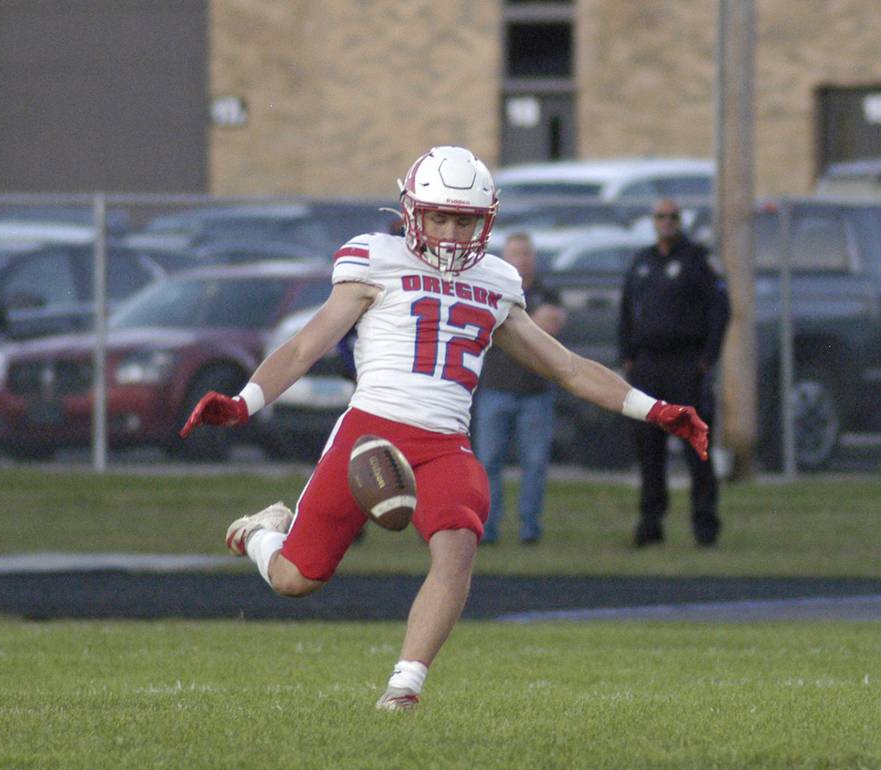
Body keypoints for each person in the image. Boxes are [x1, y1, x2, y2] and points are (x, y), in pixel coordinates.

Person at [179, 146, 709, 712]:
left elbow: (567, 366)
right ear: (413, 213)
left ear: (487, 221)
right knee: (294, 579)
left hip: (444, 445)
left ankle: (404, 687)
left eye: (465, 220)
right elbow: (307, 346)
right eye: (440, 217)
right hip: (369, 436)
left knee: (457, 547)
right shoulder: (373, 260)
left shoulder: (498, 281)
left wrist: (655, 409)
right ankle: (260, 532)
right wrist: (242, 403)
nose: (453, 234)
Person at [619, 198, 730, 548]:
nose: (666, 222)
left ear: (681, 221)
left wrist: (707, 359)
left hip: (685, 365)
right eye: (660, 216)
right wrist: (628, 356)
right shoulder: (642, 262)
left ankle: (705, 525)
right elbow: (626, 311)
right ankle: (650, 524)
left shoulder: (698, 260)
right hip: (648, 366)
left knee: (696, 446)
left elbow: (720, 310)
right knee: (648, 447)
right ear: (652, 221)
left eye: (672, 217)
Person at [473, 232, 566, 545]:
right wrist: (529, 324)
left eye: (526, 253)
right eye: (515, 253)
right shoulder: (491, 291)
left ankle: (529, 528)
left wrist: (510, 327)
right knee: (488, 462)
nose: (522, 259)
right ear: (504, 258)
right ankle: (488, 528)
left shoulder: (547, 292)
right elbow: (484, 327)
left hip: (535, 391)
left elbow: (552, 324)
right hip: (495, 388)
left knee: (535, 462)